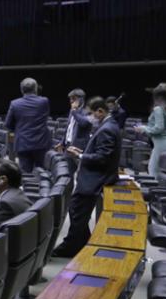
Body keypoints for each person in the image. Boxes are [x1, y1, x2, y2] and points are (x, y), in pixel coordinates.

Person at [52, 97, 121, 258]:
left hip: (96, 178)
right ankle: (81, 243)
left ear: (100, 111)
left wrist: (81, 155)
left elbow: (103, 157)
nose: (89, 118)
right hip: (95, 176)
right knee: (77, 210)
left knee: (76, 209)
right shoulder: (108, 125)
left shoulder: (107, 129)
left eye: (91, 114)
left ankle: (71, 246)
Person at [4, 77, 52, 173]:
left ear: (21, 90)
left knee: (25, 174)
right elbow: (46, 116)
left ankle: (26, 188)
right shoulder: (44, 101)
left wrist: (19, 129)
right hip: (41, 142)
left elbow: (7, 124)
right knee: (42, 173)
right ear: (36, 88)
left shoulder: (14, 104)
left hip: (23, 143)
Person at [138, 84, 166, 179]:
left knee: (153, 169)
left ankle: (153, 191)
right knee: (159, 169)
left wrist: (143, 129)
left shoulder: (158, 108)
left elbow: (159, 128)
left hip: (161, 142)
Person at [57, 88, 93, 173]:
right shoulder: (72, 110)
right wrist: (62, 142)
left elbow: (84, 123)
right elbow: (68, 128)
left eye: (73, 99)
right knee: (66, 173)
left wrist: (74, 111)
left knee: (82, 175)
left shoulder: (88, 111)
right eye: (70, 99)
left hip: (79, 148)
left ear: (80, 99)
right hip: (68, 147)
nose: (71, 101)